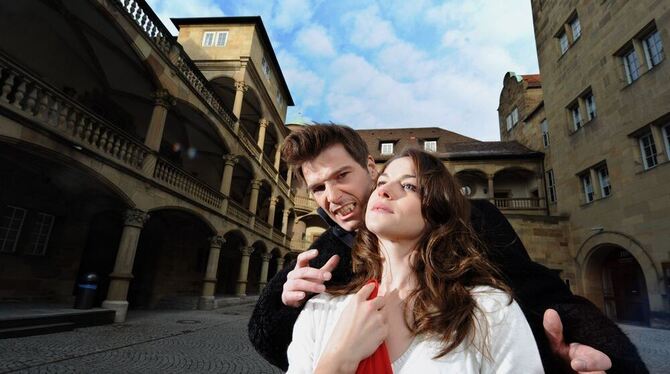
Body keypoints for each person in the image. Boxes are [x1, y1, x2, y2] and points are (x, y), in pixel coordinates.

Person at [248, 124, 647, 373]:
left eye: (343, 176)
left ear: (371, 168)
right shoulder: (322, 257)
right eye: (318, 187)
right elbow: (266, 335)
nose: (333, 197)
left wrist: (595, 354)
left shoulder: (473, 223)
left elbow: (544, 297)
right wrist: (290, 305)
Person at [287, 148, 544, 373]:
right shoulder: (322, 310)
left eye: (409, 186)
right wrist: (337, 361)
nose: (385, 190)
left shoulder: (488, 310)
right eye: (382, 182)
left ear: (437, 211)